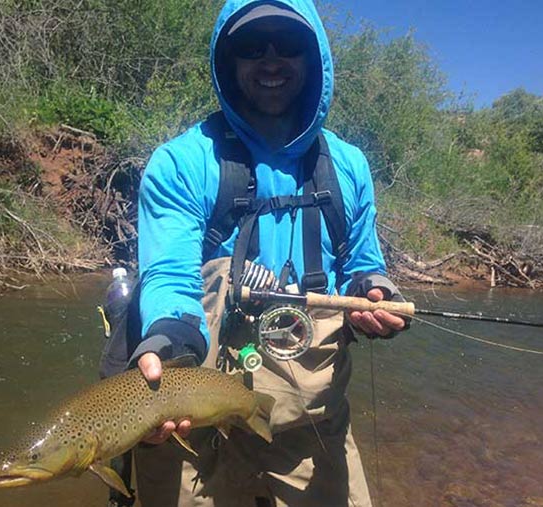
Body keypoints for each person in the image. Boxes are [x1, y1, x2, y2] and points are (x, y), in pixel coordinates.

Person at [126, 1, 408, 506]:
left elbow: (364, 264)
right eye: (252, 47)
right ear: (227, 60)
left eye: (289, 45)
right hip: (195, 432)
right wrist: (168, 342)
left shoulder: (348, 166)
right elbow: (170, 275)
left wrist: (374, 292)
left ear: (314, 56)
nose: (271, 60)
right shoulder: (182, 162)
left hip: (310, 429)